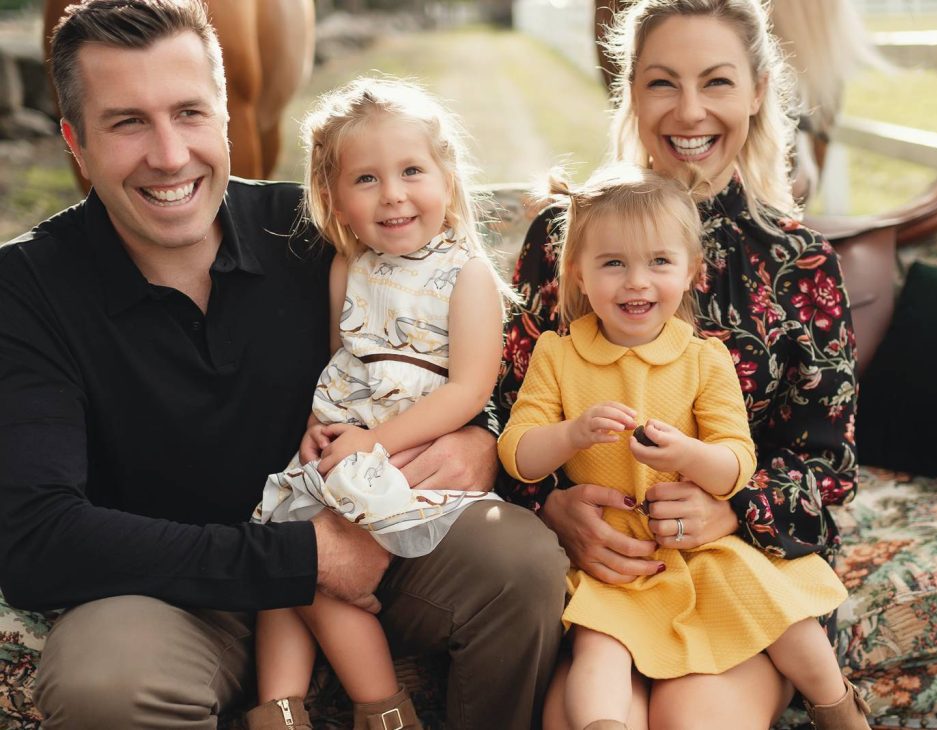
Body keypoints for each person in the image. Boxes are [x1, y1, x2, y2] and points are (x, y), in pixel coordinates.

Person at [0, 2, 567, 729]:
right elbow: (38, 539)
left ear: (227, 117)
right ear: (75, 143)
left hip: (368, 533)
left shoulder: (311, 230)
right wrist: (299, 557)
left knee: (518, 565)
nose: (170, 155)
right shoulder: (27, 290)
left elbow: (429, 340)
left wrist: (477, 437)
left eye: (190, 113)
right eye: (128, 122)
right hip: (168, 597)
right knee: (106, 680)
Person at [494, 0, 860, 727]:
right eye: (663, 83)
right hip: (609, 573)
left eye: (717, 82)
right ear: (631, 92)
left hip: (743, 567)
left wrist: (730, 510)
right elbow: (504, 409)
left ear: (758, 91)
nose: (689, 111)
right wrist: (554, 510)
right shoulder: (567, 238)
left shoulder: (801, 263)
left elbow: (829, 468)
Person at [248, 77, 510, 730]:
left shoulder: (466, 275)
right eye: (366, 179)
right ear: (333, 195)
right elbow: (344, 367)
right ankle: (279, 710)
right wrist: (320, 426)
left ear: (447, 176)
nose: (392, 194)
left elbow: (469, 389)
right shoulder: (349, 267)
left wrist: (376, 444)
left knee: (308, 562)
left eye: (411, 170)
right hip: (349, 450)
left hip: (409, 455)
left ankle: (383, 707)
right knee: (282, 553)